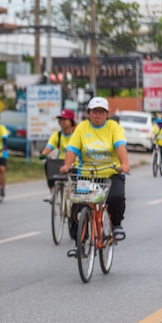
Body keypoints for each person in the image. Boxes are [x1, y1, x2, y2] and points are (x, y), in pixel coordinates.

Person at [60, 97, 130, 257]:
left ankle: (117, 225)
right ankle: (80, 244)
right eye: (94, 111)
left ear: (107, 114)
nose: (97, 114)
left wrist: (124, 164)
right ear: (89, 114)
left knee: (116, 197)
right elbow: (72, 149)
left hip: (110, 173)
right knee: (78, 205)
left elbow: (120, 146)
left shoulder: (114, 127)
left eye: (101, 112)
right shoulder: (82, 128)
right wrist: (67, 165)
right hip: (87, 174)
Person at [40, 109, 76, 199]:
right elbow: (49, 147)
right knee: (48, 164)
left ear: (71, 121)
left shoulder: (77, 134)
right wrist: (44, 154)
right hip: (61, 162)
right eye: (60, 119)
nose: (62, 122)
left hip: (75, 163)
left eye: (64, 119)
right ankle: (52, 192)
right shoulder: (57, 135)